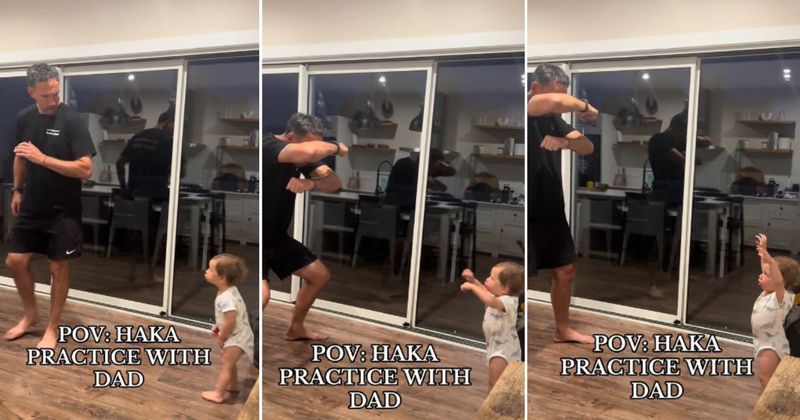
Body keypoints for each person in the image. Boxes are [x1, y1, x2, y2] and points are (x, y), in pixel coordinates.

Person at [4, 63, 96, 349]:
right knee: (15, 262)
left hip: (63, 211)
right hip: (32, 204)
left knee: (58, 268)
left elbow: (85, 169)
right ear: (31, 92)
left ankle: (52, 327)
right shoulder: (24, 118)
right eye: (46, 96)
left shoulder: (72, 120)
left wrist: (43, 159)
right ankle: (30, 315)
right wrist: (17, 190)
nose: (53, 100)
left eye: (56, 94)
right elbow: (20, 156)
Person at [528, 63, 598, 345]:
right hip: (530, 209)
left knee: (565, 270)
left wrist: (564, 142)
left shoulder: (554, 120)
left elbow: (587, 147)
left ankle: (562, 329)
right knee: (524, 275)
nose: (561, 102)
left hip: (551, 207)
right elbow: (555, 100)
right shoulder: (532, 106)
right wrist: (585, 106)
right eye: (557, 94)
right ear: (536, 89)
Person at [263, 113, 347, 341]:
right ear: (290, 137)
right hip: (261, 237)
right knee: (262, 296)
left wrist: (311, 182)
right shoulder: (269, 146)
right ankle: (241, 344)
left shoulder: (301, 158)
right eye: (310, 143)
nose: (314, 151)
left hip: (277, 238)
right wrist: (336, 146)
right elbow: (309, 152)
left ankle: (296, 328)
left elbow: (335, 184)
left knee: (319, 276)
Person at [460, 262, 524, 390]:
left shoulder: (509, 301)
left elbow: (491, 301)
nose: (487, 279)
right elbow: (485, 291)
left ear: (505, 288)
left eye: (492, 278)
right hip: (496, 346)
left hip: (504, 351)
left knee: (495, 384)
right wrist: (473, 280)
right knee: (498, 383)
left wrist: (472, 287)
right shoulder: (499, 295)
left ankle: (495, 407)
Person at [201, 253, 254, 403]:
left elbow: (230, 321)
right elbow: (229, 316)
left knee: (226, 364)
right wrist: (218, 325)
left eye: (211, 270)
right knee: (230, 362)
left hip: (236, 337)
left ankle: (218, 394)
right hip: (240, 333)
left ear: (222, 278)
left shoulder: (226, 298)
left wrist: (222, 337)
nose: (206, 271)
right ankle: (234, 385)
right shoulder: (229, 290)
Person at [752, 234, 798, 390]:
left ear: (781, 281)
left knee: (767, 380)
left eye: (766, 274)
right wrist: (762, 255)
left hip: (772, 346)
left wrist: (768, 257)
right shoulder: (768, 291)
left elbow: (777, 279)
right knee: (764, 379)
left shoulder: (781, 297)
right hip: (763, 342)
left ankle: (769, 407)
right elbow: (770, 272)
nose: (761, 275)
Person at [116, 110, 176, 202]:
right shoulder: (168, 140)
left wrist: (124, 189)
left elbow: (119, 163)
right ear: (168, 122)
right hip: (157, 196)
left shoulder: (138, 136)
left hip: (135, 194)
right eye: (175, 125)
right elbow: (181, 171)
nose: (176, 130)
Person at [385, 148, 455, 210]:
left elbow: (452, 172)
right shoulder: (404, 164)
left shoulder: (428, 170)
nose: (434, 171)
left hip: (413, 209)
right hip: (396, 209)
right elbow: (391, 188)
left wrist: (444, 165)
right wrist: (425, 184)